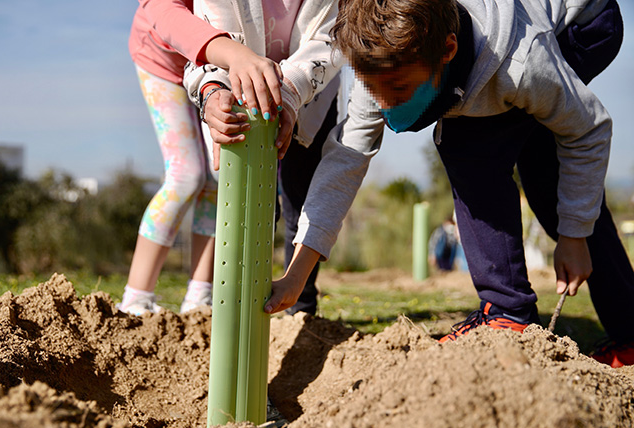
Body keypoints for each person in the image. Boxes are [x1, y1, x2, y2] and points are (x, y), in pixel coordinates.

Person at [262, 0, 634, 367]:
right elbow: (346, 160)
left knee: (479, 150)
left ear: (447, 50)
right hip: (497, 47)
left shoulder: (523, 63)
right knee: (524, 161)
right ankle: (608, 330)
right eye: (375, 91)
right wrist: (297, 275)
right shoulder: (379, 64)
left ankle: (509, 315)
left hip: (585, 23)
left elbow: (588, 129)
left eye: (399, 90)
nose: (386, 105)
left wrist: (574, 235)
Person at [121, 0, 285, 315]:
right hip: (164, 64)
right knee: (186, 175)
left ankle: (200, 296)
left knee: (217, 173)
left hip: (220, 71)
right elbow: (165, 12)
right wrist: (235, 54)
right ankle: (136, 299)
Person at [184, 0, 343, 315]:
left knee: (303, 196)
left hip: (312, 90)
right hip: (238, 93)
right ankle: (240, 308)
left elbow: (332, 35)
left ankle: (301, 306)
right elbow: (207, 32)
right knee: (251, 202)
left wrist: (289, 93)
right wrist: (213, 89)